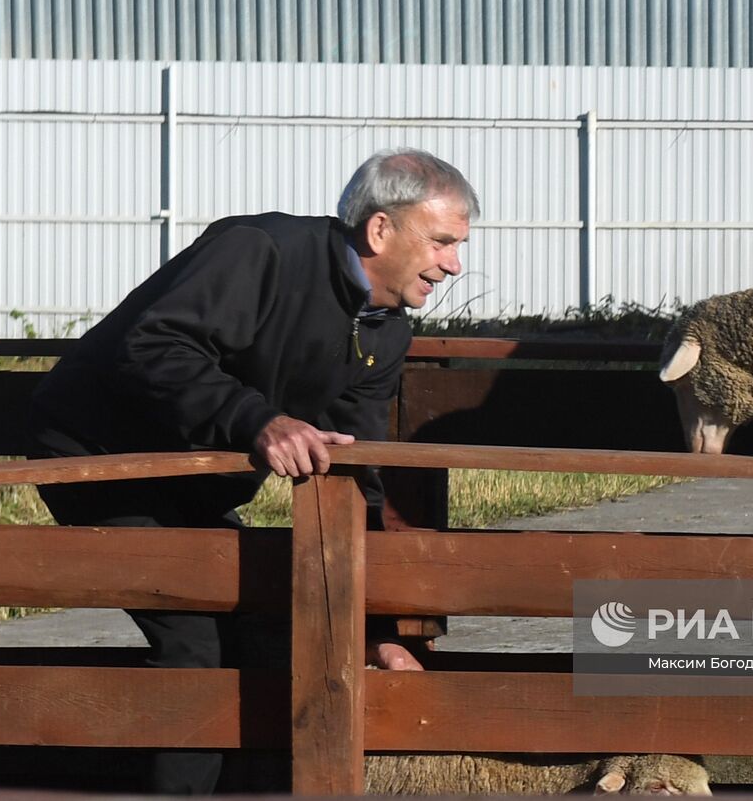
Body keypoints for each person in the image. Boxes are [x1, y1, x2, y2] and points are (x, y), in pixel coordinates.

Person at [29, 148, 479, 794]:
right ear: (381, 230)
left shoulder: (385, 331)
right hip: (101, 459)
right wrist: (259, 421)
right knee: (197, 638)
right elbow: (154, 345)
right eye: (442, 241)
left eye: (458, 246)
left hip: (191, 485)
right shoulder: (262, 251)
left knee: (268, 628)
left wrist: (374, 628)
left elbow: (359, 470)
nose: (454, 264)